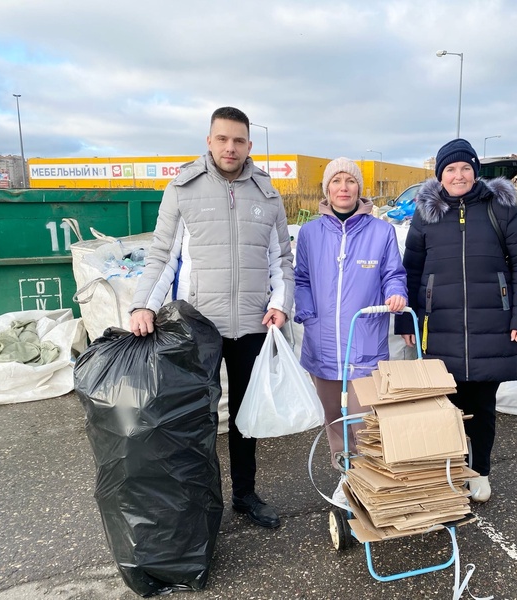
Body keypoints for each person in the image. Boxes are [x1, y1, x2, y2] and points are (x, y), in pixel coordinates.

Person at [129, 106, 294, 529]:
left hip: (254, 326)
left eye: (238, 140)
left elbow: (282, 262)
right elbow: (162, 255)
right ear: (209, 140)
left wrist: (281, 303)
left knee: (245, 417)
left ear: (249, 145)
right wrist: (143, 305)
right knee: (194, 419)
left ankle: (245, 495)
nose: (230, 147)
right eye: (222, 139)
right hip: (197, 328)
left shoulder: (268, 194)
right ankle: (196, 503)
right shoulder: (182, 189)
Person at [395, 138, 517, 502]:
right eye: (450, 169)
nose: (458, 175)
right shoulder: (426, 214)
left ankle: (479, 472)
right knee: (446, 406)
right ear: (439, 175)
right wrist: (405, 321)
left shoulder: (500, 208)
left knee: (482, 406)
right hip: (441, 325)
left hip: (492, 322)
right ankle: (452, 468)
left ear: (475, 171)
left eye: (465, 168)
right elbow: (411, 270)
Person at [293, 158, 407, 501]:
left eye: (350, 181)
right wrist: (308, 312)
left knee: (365, 422)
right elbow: (301, 278)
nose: (344, 187)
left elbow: (393, 273)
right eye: (337, 181)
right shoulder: (310, 233)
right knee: (334, 419)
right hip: (323, 344)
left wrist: (395, 292)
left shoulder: (381, 232)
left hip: (365, 344)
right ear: (327, 189)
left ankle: (370, 480)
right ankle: (346, 479)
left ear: (360, 188)